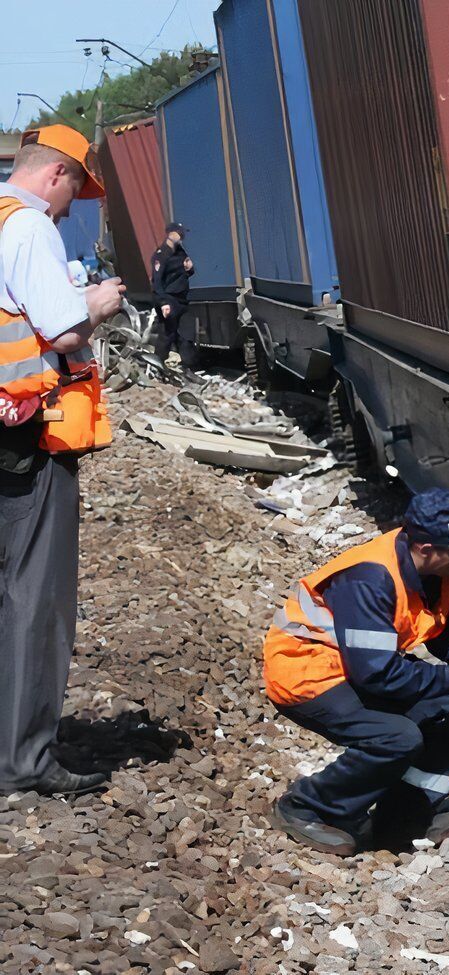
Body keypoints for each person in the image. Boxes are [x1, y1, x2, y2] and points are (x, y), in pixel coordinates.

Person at [263, 488, 449, 855]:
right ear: (427, 548)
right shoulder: (371, 579)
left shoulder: (437, 570)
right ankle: (305, 807)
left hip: (358, 664)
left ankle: (401, 821)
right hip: (306, 671)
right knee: (396, 737)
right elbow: (375, 675)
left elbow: (448, 635)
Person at [0, 124, 125, 796]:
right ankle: (23, 760)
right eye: (76, 189)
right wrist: (96, 305)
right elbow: (64, 330)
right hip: (25, 443)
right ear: (55, 175)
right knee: (36, 598)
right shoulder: (29, 229)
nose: (73, 207)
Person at [150, 221, 193, 363]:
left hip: (181, 298)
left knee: (184, 334)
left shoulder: (181, 252)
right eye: (179, 233)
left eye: (182, 233)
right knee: (167, 334)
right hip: (169, 299)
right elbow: (157, 281)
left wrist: (190, 268)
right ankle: (158, 363)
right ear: (170, 234)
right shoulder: (161, 254)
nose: (182, 236)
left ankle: (189, 366)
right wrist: (163, 302)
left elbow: (186, 272)